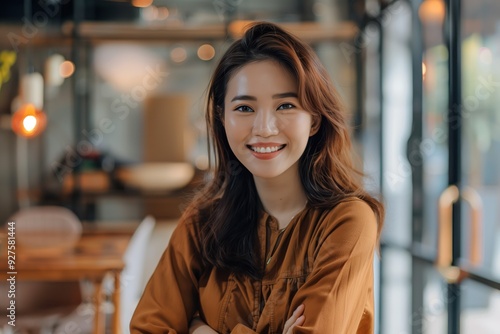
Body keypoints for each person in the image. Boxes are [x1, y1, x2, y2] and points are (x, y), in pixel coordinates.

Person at [130, 21, 384, 333]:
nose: (264, 128)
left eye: (286, 105)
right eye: (245, 108)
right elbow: (148, 327)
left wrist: (198, 329)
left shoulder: (348, 222)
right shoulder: (202, 222)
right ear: (223, 118)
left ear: (315, 119)